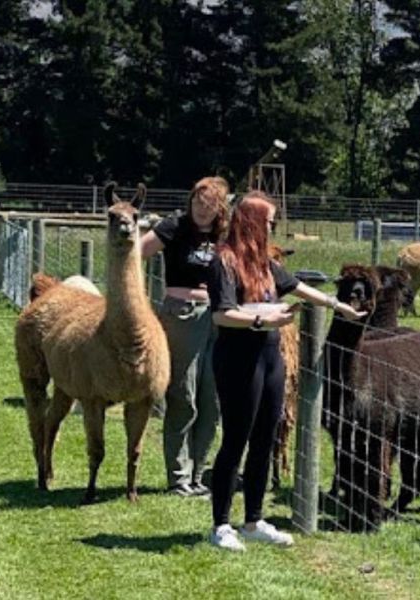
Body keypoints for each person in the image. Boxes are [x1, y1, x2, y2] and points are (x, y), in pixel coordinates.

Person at [206, 191, 365, 551]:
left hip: (269, 357)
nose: (274, 227)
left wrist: (336, 304)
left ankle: (253, 520)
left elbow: (295, 286)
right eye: (270, 221)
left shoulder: (264, 263)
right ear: (251, 221)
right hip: (237, 360)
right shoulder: (224, 262)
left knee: (265, 437)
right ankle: (221, 525)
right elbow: (221, 313)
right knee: (235, 440)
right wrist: (264, 319)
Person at [140, 176, 229, 497]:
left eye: (209, 205)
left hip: (219, 317)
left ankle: (198, 474)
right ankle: (178, 476)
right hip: (182, 314)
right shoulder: (174, 226)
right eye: (197, 203)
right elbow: (137, 252)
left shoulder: (225, 235)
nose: (202, 210)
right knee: (184, 396)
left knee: (212, 399)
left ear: (220, 207)